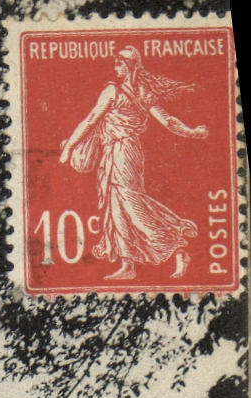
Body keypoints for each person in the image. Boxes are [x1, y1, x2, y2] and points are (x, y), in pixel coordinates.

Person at [58, 46, 208, 280]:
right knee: (115, 205)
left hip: (123, 151)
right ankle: (128, 264)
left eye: (119, 63)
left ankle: (177, 248)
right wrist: (191, 132)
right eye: (115, 63)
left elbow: (90, 121)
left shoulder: (113, 91)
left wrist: (68, 148)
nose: (115, 67)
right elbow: (168, 121)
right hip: (118, 152)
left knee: (130, 203)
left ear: (130, 67)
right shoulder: (142, 92)